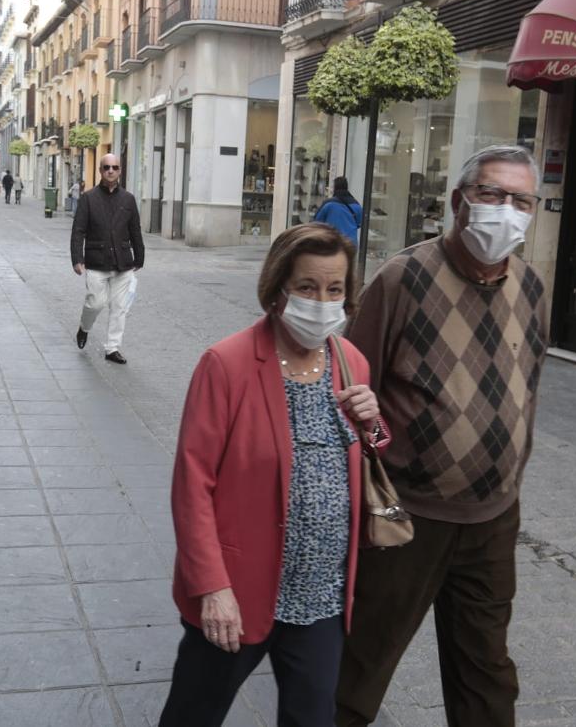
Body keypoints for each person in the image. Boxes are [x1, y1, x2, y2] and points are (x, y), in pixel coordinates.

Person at [335, 145, 550, 727]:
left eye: (521, 201)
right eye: (492, 195)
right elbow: (353, 390)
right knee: (361, 665)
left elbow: (526, 387)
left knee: (486, 674)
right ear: (459, 202)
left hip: (492, 519)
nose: (506, 211)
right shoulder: (403, 278)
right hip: (406, 517)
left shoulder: (530, 288)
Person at [159, 223, 390, 727]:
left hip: (321, 597)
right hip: (238, 592)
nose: (322, 300)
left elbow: (366, 454)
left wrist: (373, 424)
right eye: (307, 287)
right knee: (193, 716)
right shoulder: (227, 364)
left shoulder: (350, 362)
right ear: (278, 289)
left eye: (335, 289)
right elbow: (192, 486)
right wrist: (212, 587)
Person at [71, 154, 143, 364]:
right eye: (106, 167)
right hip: (96, 261)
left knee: (120, 307)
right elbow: (78, 231)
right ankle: (84, 328)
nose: (111, 171)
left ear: (120, 171)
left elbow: (135, 230)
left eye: (115, 167)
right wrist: (77, 258)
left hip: (123, 263)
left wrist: (140, 256)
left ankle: (112, 348)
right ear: (101, 171)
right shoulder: (88, 198)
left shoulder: (128, 199)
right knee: (95, 303)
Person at [314, 177, 364, 244]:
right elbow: (359, 223)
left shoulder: (329, 204)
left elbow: (317, 221)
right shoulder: (357, 205)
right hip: (351, 243)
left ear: (335, 188)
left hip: (333, 242)